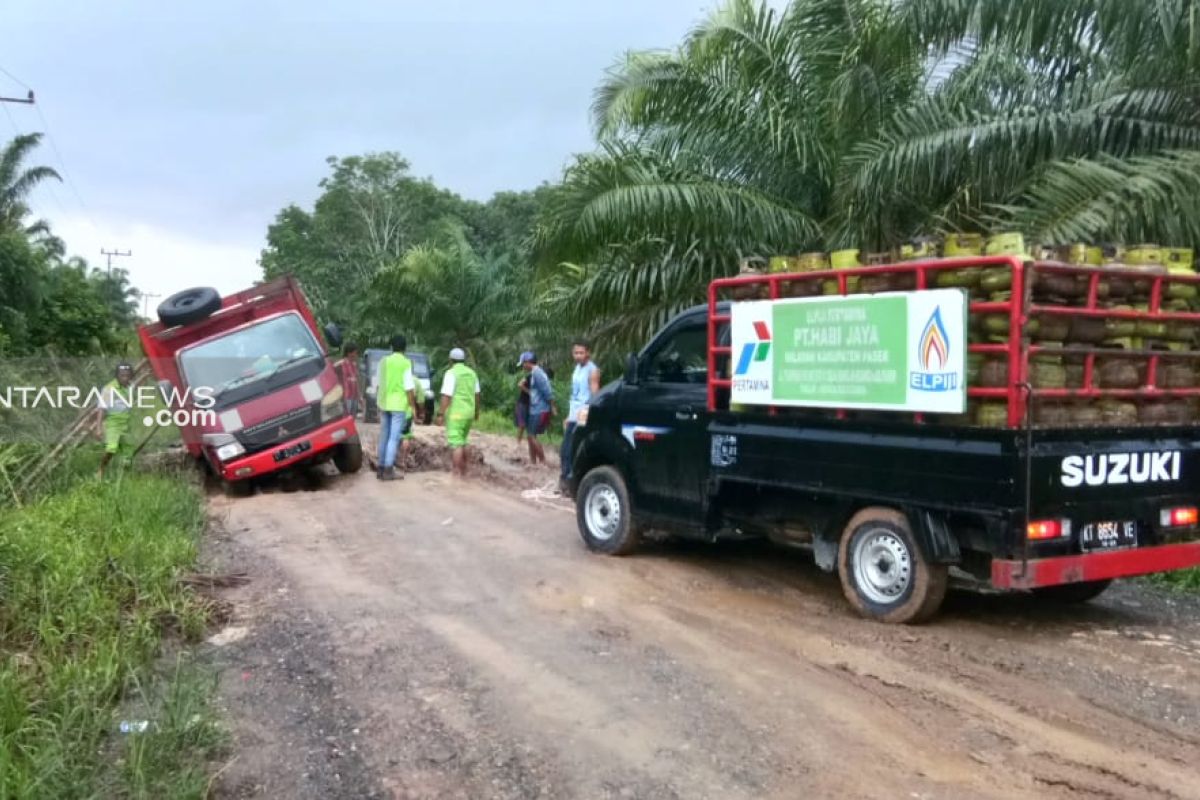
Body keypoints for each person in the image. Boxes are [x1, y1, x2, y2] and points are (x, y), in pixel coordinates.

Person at [560, 339, 601, 492]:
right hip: (573, 413)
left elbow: (595, 394)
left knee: (572, 449)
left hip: (584, 414)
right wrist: (568, 416)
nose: (578, 356)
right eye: (576, 353)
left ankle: (571, 482)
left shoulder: (592, 370)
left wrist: (591, 416)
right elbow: (574, 394)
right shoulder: (577, 369)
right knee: (565, 449)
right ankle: (565, 479)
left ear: (588, 352)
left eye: (581, 353)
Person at [376, 335, 418, 481]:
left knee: (384, 436)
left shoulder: (383, 361)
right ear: (404, 348)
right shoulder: (406, 363)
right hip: (399, 404)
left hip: (384, 402)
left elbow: (378, 383)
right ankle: (388, 470)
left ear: (391, 347)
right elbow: (409, 387)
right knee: (393, 438)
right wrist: (412, 406)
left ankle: (380, 469)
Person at [436, 347, 481, 477]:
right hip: (469, 413)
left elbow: (446, 396)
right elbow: (477, 394)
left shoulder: (451, 373)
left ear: (450, 360)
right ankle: (465, 471)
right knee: (464, 441)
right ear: (463, 360)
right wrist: (477, 411)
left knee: (456, 444)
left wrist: (440, 414)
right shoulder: (472, 373)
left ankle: (456, 473)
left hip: (456, 414)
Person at [96, 361, 136, 478]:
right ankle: (101, 469)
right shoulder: (109, 389)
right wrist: (98, 428)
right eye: (122, 375)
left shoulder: (131, 386)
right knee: (111, 448)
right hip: (113, 422)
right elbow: (101, 409)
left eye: (128, 375)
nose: (125, 378)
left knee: (128, 451)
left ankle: (124, 475)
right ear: (117, 376)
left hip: (126, 422)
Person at [519, 351, 557, 466]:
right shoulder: (535, 372)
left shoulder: (537, 374)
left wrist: (552, 406)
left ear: (527, 362)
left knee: (531, 436)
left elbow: (547, 391)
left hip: (539, 409)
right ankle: (533, 462)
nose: (522, 366)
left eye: (523, 363)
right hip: (535, 408)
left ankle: (543, 461)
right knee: (530, 436)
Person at [342, 341, 361, 417]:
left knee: (353, 416)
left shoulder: (354, 364)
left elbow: (356, 380)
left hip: (354, 395)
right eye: (355, 353)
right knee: (346, 416)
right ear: (349, 353)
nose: (356, 355)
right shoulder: (343, 364)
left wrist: (359, 396)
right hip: (347, 395)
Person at [514, 373, 530, 443]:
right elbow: (520, 384)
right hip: (522, 403)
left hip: (530, 404)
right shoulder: (530, 376)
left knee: (526, 425)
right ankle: (518, 442)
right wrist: (530, 392)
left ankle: (520, 441)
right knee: (522, 424)